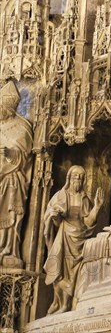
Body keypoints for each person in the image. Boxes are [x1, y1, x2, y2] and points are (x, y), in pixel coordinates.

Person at [43, 166, 104, 314]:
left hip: (80, 240)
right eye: (75, 175)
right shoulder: (60, 195)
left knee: (74, 274)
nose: (78, 179)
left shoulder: (84, 198)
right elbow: (52, 219)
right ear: (69, 177)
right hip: (64, 236)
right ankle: (58, 302)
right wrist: (53, 215)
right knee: (57, 269)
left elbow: (88, 222)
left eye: (81, 177)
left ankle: (66, 304)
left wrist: (96, 207)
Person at [0, 80, 33, 266]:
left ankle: (7, 249)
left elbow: (24, 155)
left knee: (10, 218)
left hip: (11, 182)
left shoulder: (21, 127)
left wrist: (11, 154)